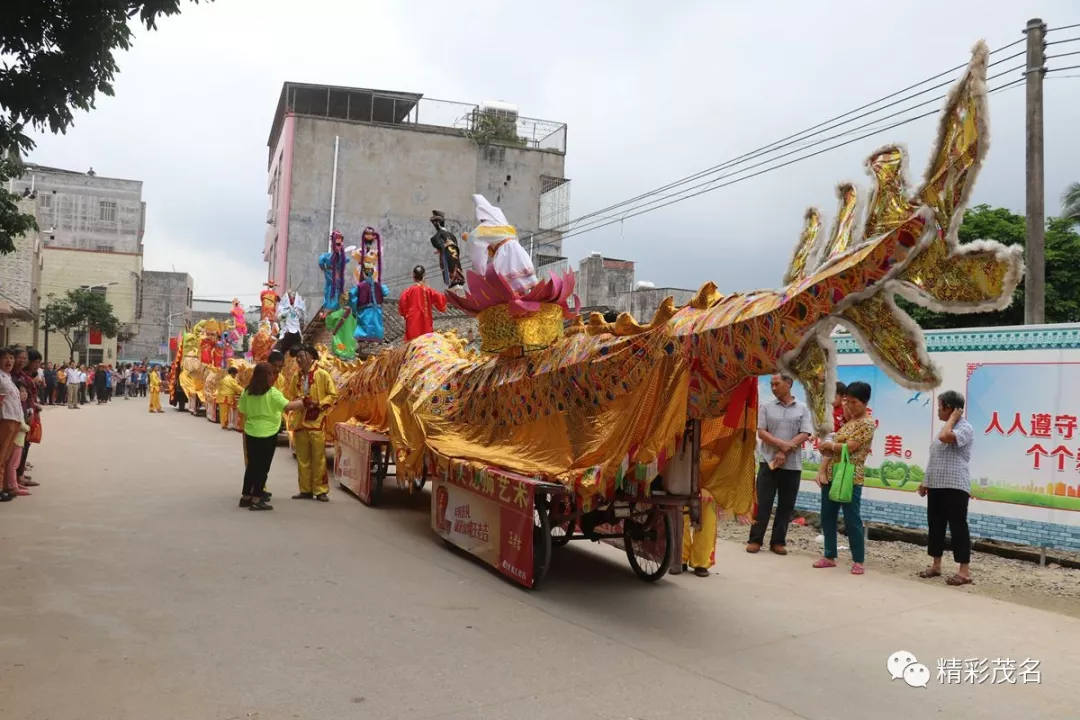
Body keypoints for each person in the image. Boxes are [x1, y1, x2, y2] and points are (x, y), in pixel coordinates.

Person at [747, 374, 813, 555]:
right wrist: (781, 445)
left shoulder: (802, 409)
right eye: (771, 384)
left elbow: (805, 433)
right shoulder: (766, 408)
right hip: (768, 463)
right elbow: (761, 432)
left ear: (789, 383)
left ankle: (778, 541)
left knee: (786, 505)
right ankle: (755, 540)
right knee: (762, 503)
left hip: (792, 466)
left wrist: (784, 451)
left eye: (777, 384)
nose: (773, 387)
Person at [814, 380, 875, 575]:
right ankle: (829, 555)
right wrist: (822, 468)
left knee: (852, 518)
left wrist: (829, 446)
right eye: (847, 402)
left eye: (854, 402)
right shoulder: (849, 424)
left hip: (851, 476)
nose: (849, 405)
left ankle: (858, 560)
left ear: (864, 402)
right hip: (833, 472)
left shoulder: (867, 423)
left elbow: (851, 447)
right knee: (828, 515)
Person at [918, 390, 975, 586]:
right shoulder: (945, 428)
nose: (937, 411)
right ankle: (936, 565)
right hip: (936, 485)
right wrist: (926, 481)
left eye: (940, 406)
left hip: (955, 486)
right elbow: (935, 456)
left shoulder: (964, 428)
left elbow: (945, 437)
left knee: (958, 527)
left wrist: (953, 419)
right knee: (936, 525)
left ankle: (964, 572)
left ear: (950, 408)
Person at [237, 362, 305, 511]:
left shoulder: (247, 392)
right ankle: (257, 498)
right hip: (267, 433)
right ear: (267, 376)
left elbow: (241, 409)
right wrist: (303, 402)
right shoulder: (272, 393)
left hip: (251, 431)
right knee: (263, 468)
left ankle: (246, 496)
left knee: (252, 466)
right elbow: (288, 406)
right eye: (270, 373)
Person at [285, 344, 337, 501]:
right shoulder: (296, 377)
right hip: (300, 423)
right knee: (302, 458)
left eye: (301, 356)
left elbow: (333, 395)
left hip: (316, 422)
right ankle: (305, 490)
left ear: (311, 357)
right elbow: (292, 395)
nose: (299, 360)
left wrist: (318, 403)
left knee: (318, 458)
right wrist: (300, 401)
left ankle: (320, 490)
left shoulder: (322, 375)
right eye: (297, 357)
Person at [0, 348, 25, 501]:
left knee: (6, 455)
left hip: (14, 419)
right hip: (5, 419)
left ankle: (3, 487)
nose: (9, 361)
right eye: (4, 358)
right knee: (1, 454)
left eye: (11, 358)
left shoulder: (7, 377)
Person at [398, 265, 447, 342]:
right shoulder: (428, 290)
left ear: (413, 276)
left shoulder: (407, 292)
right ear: (424, 276)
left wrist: (405, 314)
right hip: (426, 323)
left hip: (412, 324)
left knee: (413, 345)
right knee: (426, 344)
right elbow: (440, 298)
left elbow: (402, 304)